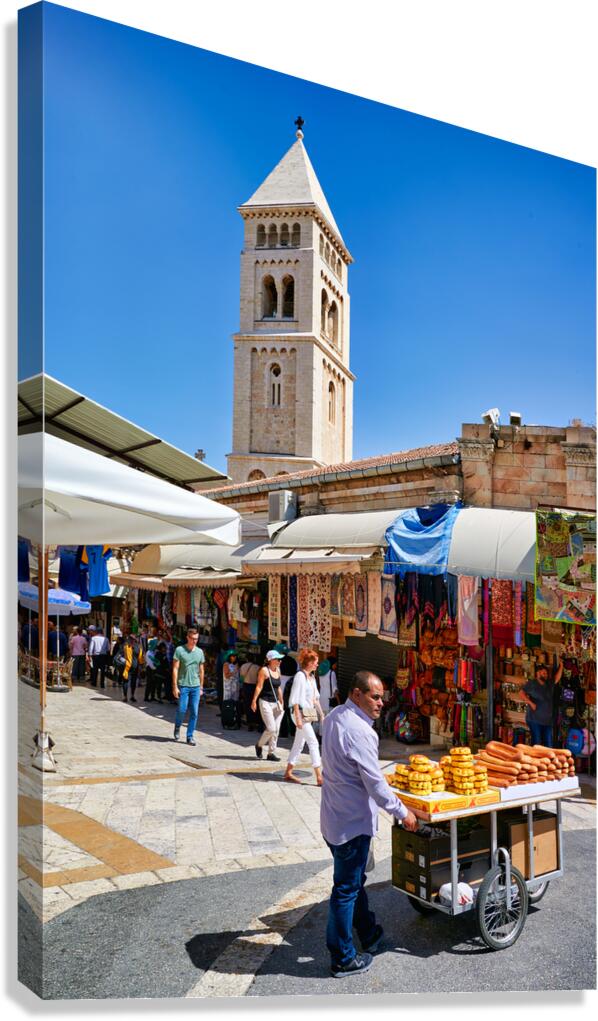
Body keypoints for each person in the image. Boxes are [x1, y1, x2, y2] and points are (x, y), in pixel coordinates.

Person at [320, 670, 418, 978]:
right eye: (375, 697)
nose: (381, 703)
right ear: (357, 694)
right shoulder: (361, 731)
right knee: (346, 889)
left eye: (382, 697)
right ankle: (343, 957)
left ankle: (369, 932)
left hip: (334, 817)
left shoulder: (335, 716)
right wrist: (403, 812)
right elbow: (375, 784)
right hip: (351, 822)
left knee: (353, 881)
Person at [284, 648, 324, 785]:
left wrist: (322, 714)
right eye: (316, 662)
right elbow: (295, 698)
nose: (317, 665)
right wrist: (298, 717)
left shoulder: (311, 678)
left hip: (307, 713)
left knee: (299, 743)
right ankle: (319, 776)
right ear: (310, 662)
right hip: (299, 713)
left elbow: (315, 699)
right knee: (313, 742)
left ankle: (288, 771)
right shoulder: (300, 676)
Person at [520, 655, 563, 747]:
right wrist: (531, 703)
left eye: (546, 673)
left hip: (547, 721)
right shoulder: (532, 683)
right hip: (534, 720)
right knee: (537, 743)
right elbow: (521, 693)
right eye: (543, 673)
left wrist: (561, 665)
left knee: (548, 745)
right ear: (538, 673)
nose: (545, 675)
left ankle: (546, 761)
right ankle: (534, 761)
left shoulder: (549, 684)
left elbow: (556, 678)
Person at [172, 627, 205, 746]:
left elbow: (201, 670)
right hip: (183, 685)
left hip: (195, 686)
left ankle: (190, 736)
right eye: (192, 639)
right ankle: (177, 727)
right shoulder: (179, 650)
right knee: (182, 709)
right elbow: (175, 669)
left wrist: (201, 687)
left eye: (196, 639)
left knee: (194, 712)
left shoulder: (200, 652)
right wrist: (175, 686)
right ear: (187, 637)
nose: (195, 641)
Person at [251, 650, 284, 761]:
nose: (280, 661)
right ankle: (259, 745)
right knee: (271, 728)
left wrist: (281, 700)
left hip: (277, 704)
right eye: (277, 659)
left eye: (280, 659)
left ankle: (271, 753)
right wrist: (254, 700)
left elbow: (278, 687)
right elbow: (259, 686)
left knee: (277, 729)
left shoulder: (278, 670)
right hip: (265, 702)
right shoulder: (264, 671)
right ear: (270, 660)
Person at [240, 655, 261, 730]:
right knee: (255, 704)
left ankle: (250, 723)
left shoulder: (243, 666)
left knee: (247, 704)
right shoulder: (257, 667)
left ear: (246, 659)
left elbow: (241, 676)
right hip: (254, 686)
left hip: (246, 686)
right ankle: (257, 722)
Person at [222, 651, 241, 728]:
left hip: (236, 688)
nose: (234, 657)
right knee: (228, 705)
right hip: (228, 688)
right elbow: (227, 676)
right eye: (232, 656)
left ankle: (234, 720)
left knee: (235, 705)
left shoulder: (236, 665)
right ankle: (227, 721)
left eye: (235, 656)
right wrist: (235, 671)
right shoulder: (226, 664)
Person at [122, 633, 143, 702]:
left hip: (127, 667)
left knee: (126, 681)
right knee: (133, 682)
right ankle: (132, 696)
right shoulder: (139, 647)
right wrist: (140, 667)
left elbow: (121, 655)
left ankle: (125, 697)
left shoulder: (125, 646)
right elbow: (140, 659)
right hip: (135, 667)